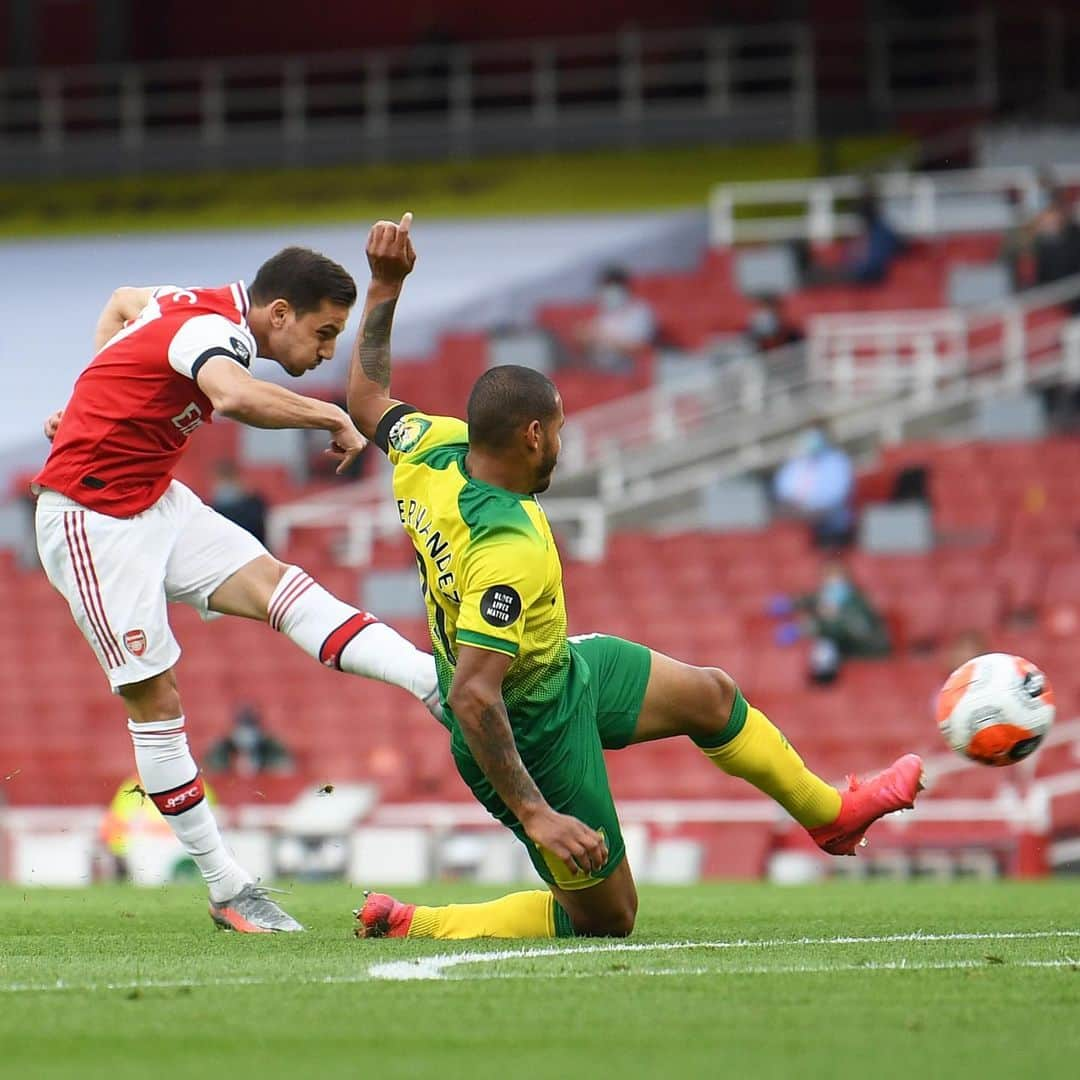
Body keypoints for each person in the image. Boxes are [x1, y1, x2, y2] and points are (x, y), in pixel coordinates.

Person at [344, 213, 924, 942]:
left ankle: (831, 818)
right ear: (531, 436)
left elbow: (366, 401)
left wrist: (385, 285)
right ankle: (416, 922)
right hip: (530, 727)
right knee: (610, 918)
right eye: (557, 429)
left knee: (710, 696)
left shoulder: (428, 447)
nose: (562, 442)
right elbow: (471, 694)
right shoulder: (506, 544)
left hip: (564, 668)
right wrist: (536, 814)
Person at [32, 245, 441, 933]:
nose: (326, 349)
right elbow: (232, 395)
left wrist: (86, 398)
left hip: (153, 499)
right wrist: (330, 416)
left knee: (281, 586)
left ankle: (433, 684)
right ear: (279, 313)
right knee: (155, 700)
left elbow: (123, 300)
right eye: (323, 333)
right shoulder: (213, 333)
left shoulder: (186, 303)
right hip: (91, 521)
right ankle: (227, 888)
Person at [770, 559, 891, 684]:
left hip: (867, 656)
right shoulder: (828, 597)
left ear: (846, 579)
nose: (830, 581)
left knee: (824, 646)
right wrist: (792, 604)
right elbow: (812, 599)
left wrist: (808, 628)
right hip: (845, 653)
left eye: (835, 576)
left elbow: (851, 629)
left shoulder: (858, 602)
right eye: (826, 576)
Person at [773, 427, 855, 548]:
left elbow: (836, 499)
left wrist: (811, 513)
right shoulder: (794, 465)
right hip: (797, 527)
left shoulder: (837, 462)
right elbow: (783, 496)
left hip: (832, 530)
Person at [571, 266, 656, 373]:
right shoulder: (605, 315)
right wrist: (584, 336)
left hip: (627, 367)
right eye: (604, 289)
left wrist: (602, 338)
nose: (607, 294)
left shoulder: (640, 311)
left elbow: (641, 347)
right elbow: (584, 339)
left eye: (611, 288)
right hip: (598, 367)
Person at [205, 704, 294, 775]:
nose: (246, 733)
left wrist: (264, 766)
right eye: (242, 726)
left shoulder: (271, 746)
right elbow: (208, 770)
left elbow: (286, 770)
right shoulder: (222, 747)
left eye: (250, 726)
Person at [210, 459, 268, 544]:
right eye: (222, 480)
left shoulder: (254, 505)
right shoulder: (213, 511)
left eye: (229, 479)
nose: (225, 485)